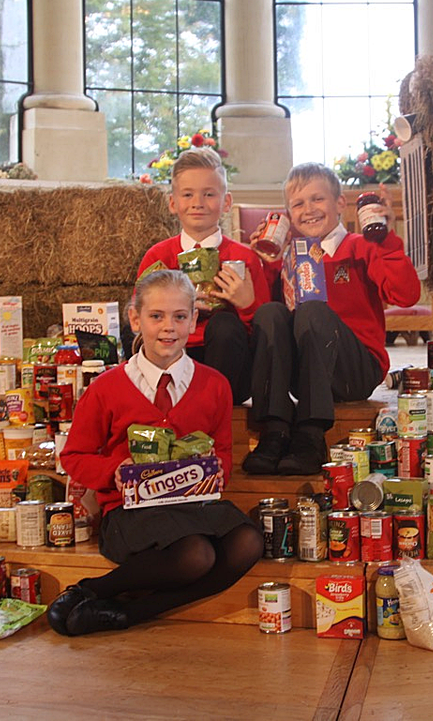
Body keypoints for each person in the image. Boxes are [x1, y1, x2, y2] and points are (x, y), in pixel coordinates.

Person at [48, 269, 262, 636]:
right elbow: (75, 456)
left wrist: (209, 473)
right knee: (197, 554)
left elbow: (223, 452)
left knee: (248, 542)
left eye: (180, 317)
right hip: (130, 512)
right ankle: (91, 589)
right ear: (135, 319)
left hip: (192, 504)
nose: (169, 327)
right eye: (156, 316)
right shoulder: (106, 388)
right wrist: (114, 471)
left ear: (194, 320)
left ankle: (131, 611)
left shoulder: (215, 385)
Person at [243, 163, 421, 476]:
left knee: (312, 309)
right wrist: (264, 264)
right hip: (307, 371)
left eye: (317, 199)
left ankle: (311, 435)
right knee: (270, 312)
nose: (308, 210)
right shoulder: (289, 257)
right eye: (298, 204)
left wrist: (385, 241)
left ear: (340, 204)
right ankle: (274, 429)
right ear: (288, 212)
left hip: (355, 368)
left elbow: (406, 295)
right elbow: (265, 321)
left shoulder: (360, 246)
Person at [132, 147, 268, 404]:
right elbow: (139, 322)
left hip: (231, 368)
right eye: (187, 194)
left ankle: (213, 407)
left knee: (224, 324)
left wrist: (246, 304)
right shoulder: (158, 258)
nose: (198, 203)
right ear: (173, 203)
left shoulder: (245, 258)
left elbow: (264, 335)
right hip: (174, 359)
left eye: (209, 194)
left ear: (226, 202)